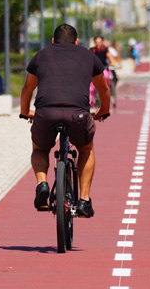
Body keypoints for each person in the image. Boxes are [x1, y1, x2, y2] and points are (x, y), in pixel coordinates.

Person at [20, 24, 110, 217]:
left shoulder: (42, 55)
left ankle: (42, 183)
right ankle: (84, 201)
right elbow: (103, 89)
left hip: (45, 114)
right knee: (86, 148)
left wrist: (25, 111)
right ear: (77, 42)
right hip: (77, 115)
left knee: (40, 148)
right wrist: (104, 110)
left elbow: (27, 88)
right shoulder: (88, 56)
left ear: (53, 41)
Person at [89, 35, 117, 107]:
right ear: (95, 42)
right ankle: (91, 101)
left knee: (107, 77)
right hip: (94, 70)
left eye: (100, 42)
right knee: (91, 86)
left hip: (103, 68)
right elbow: (88, 59)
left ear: (102, 42)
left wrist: (112, 64)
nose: (98, 43)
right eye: (97, 42)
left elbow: (111, 59)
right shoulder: (92, 50)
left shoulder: (105, 50)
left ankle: (105, 93)